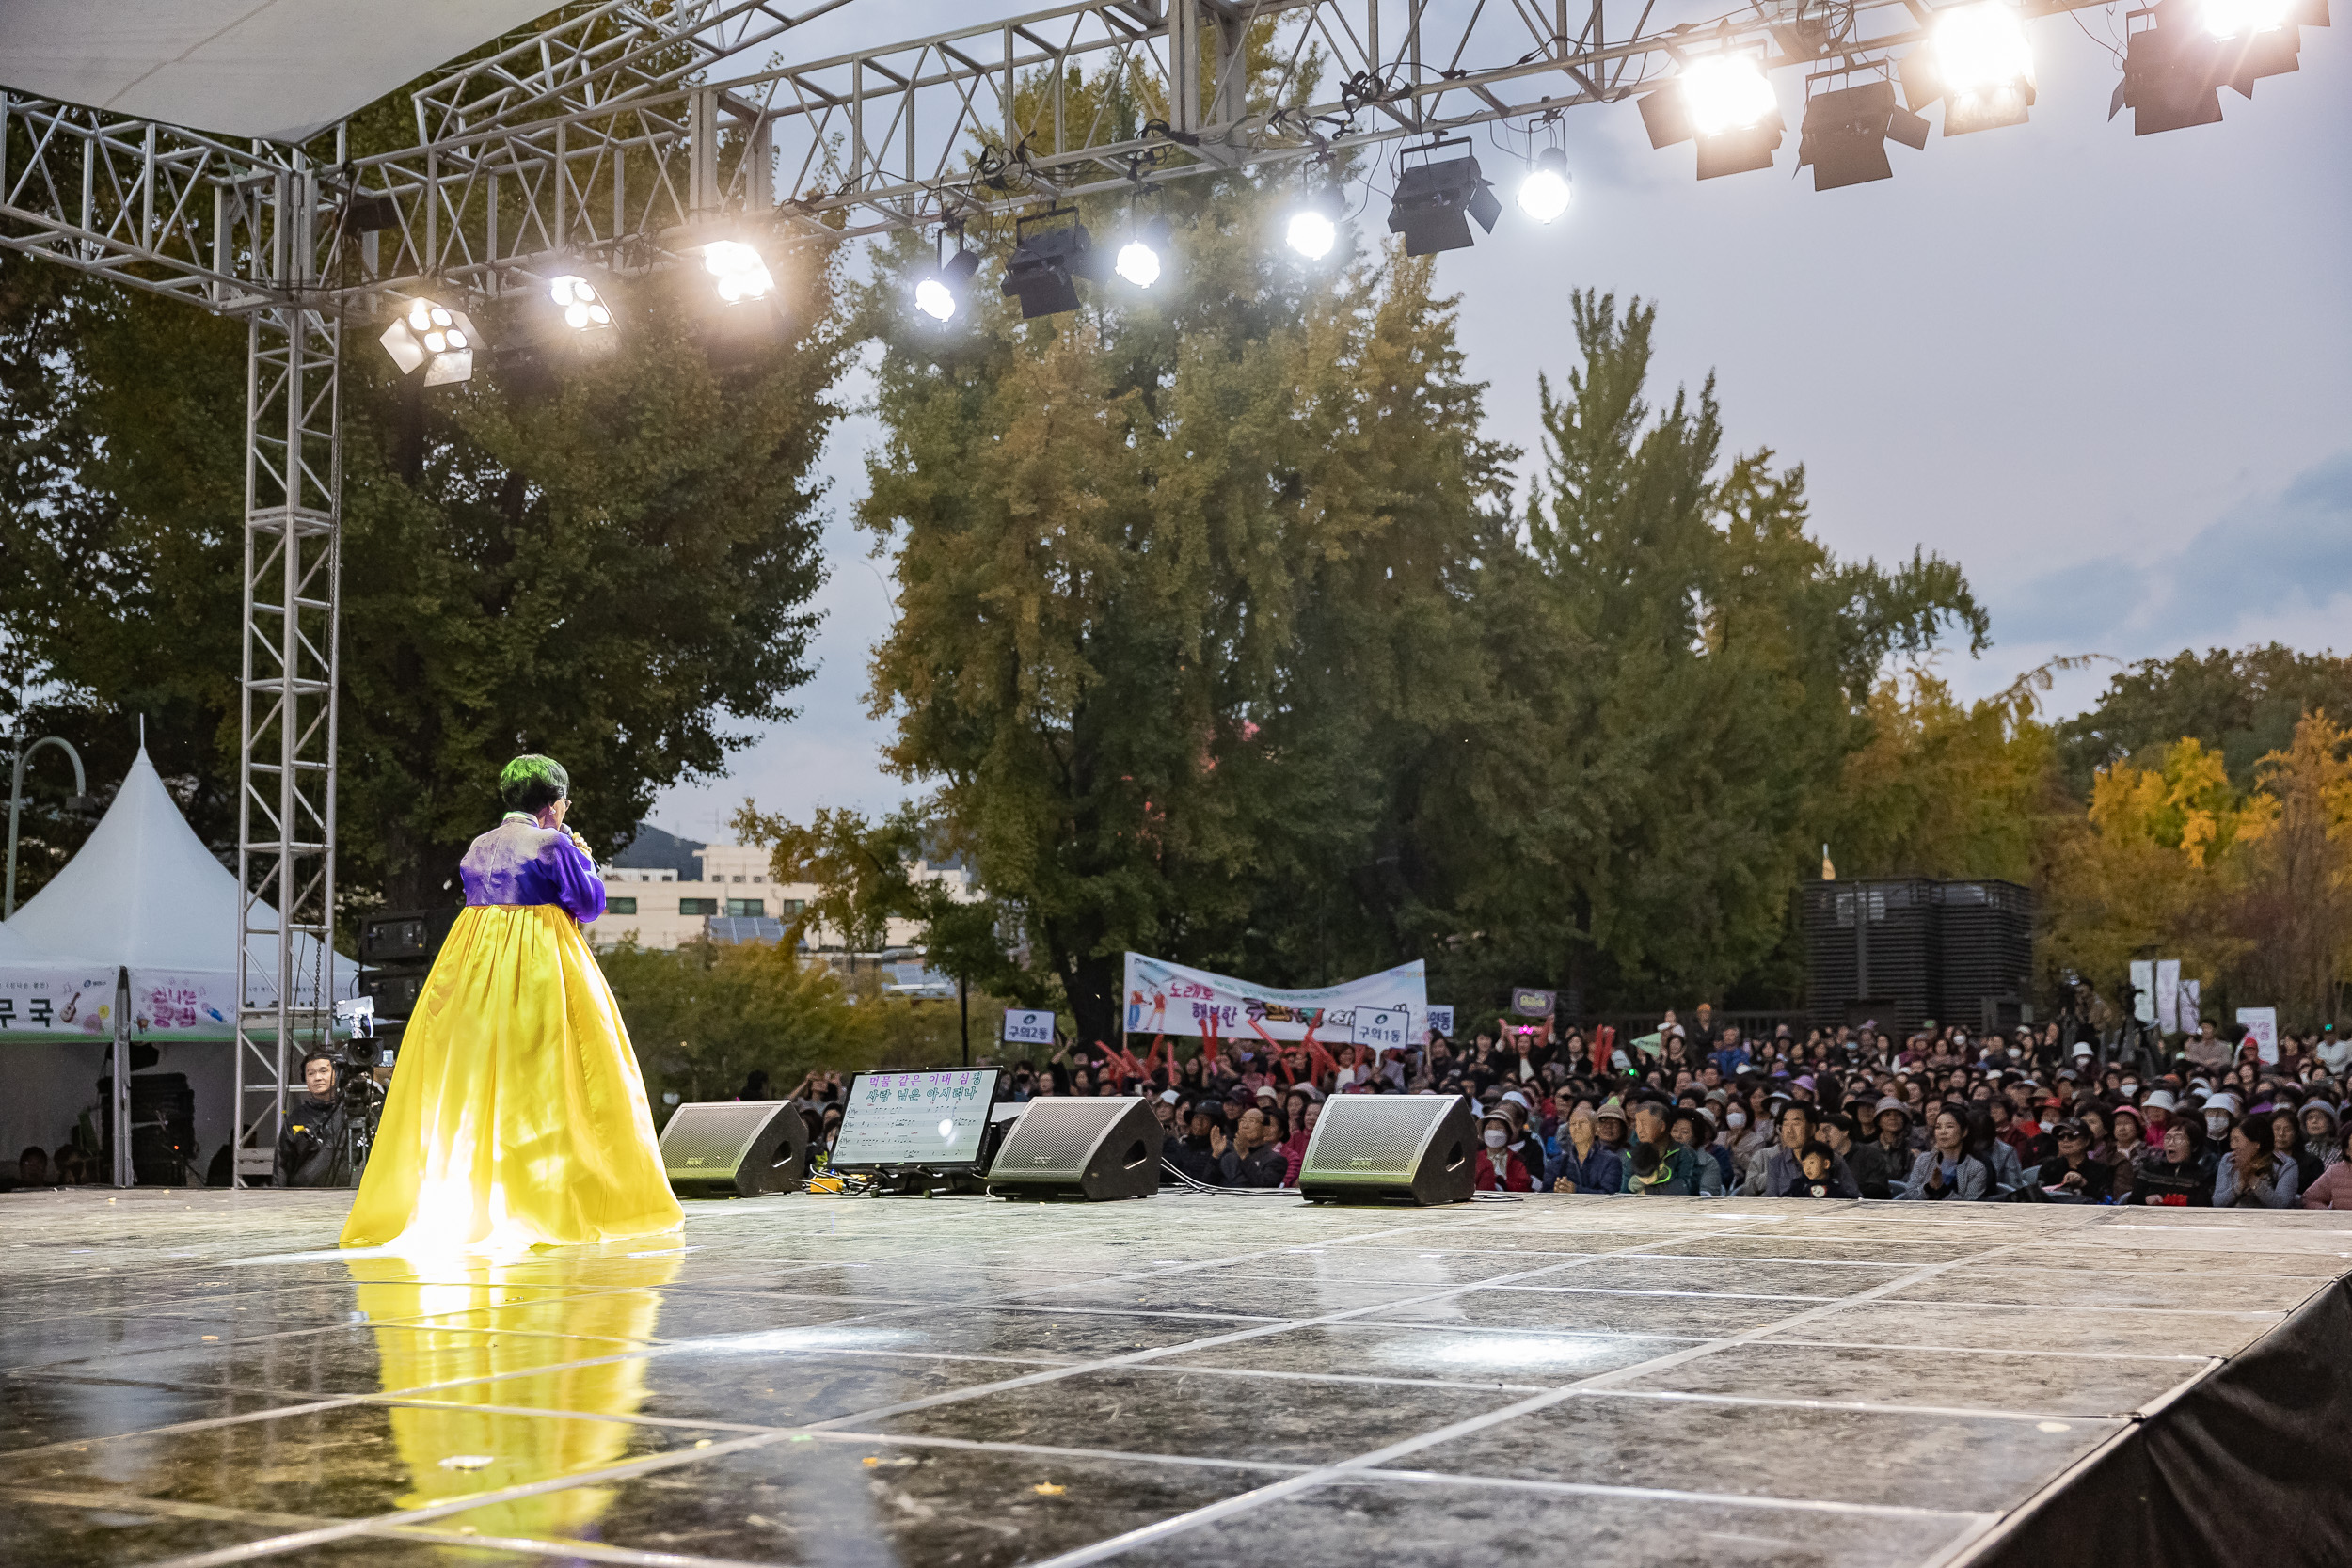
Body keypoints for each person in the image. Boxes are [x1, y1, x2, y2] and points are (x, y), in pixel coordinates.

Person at [340, 755, 683, 1250]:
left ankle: (470, 1194)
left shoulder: (479, 845)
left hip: (475, 959)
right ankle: (547, 1196)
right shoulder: (552, 842)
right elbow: (589, 904)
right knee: (554, 1071)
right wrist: (583, 858)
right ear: (552, 803)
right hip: (539, 957)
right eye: (564, 800)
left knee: (475, 1071)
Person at [276, 1050, 357, 1188]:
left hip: (347, 1196)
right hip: (304, 1198)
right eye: (311, 1073)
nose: (317, 1077)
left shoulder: (352, 1112)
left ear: (337, 1074)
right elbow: (282, 1164)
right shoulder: (296, 1118)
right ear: (305, 1080)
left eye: (323, 1071)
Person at [1901, 1107, 1991, 1201]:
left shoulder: (1976, 1168)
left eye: (1949, 1126)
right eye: (1938, 1127)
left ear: (1964, 1132)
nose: (1943, 1132)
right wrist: (1929, 1187)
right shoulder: (1923, 1160)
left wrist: (1943, 1190)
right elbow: (1908, 1197)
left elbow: (1968, 1207)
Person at [2214, 1118, 2299, 1209]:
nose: (2233, 1146)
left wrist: (2253, 1180)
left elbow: (2282, 1205)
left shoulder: (2286, 1165)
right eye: (2231, 1140)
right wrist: (2240, 1185)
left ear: (2256, 1143)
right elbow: (2218, 1203)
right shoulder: (2228, 1160)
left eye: (2237, 1140)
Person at [2132, 1120, 2215, 1207]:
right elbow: (2132, 1202)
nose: (2171, 1143)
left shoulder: (2203, 1177)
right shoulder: (2149, 1170)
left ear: (2194, 1146)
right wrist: (2146, 1200)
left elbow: (2204, 1208)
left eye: (2178, 1138)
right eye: (2167, 1138)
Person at [2033, 1120, 2113, 1205]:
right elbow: (2039, 1198)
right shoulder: (2048, 1167)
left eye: (2071, 1136)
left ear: (2087, 1141)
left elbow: (2107, 1202)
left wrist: (2083, 1183)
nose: (2065, 1140)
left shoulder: (2101, 1170)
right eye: (2060, 1136)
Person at [1549, 1104, 1624, 1195]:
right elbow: (1544, 1194)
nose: (1577, 1128)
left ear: (1596, 1129)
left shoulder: (1611, 1160)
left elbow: (1609, 1195)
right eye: (1573, 1124)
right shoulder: (1558, 1162)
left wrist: (1576, 1191)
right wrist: (1557, 1191)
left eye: (1582, 1123)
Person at [1475, 1110, 1534, 1192]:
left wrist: (1503, 1184)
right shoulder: (1475, 1159)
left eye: (1499, 1128)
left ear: (1508, 1133)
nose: (1494, 1132)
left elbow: (1523, 1186)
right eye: (1489, 1128)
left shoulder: (1517, 1159)